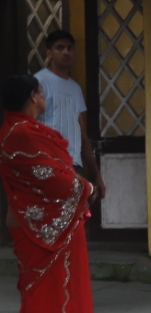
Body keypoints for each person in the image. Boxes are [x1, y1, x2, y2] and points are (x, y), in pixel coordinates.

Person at [1, 74, 97, 313]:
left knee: (46, 290)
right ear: (33, 96)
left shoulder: (17, 129)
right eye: (41, 92)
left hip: (41, 219)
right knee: (48, 291)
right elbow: (51, 178)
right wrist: (85, 187)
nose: (44, 96)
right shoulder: (22, 134)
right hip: (42, 224)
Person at [35, 30, 106, 201]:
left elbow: (81, 134)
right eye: (60, 48)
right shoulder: (39, 82)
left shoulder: (75, 88)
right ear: (49, 53)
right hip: (48, 162)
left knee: (72, 214)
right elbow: (29, 125)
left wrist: (96, 174)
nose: (66, 52)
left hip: (73, 164)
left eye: (70, 48)